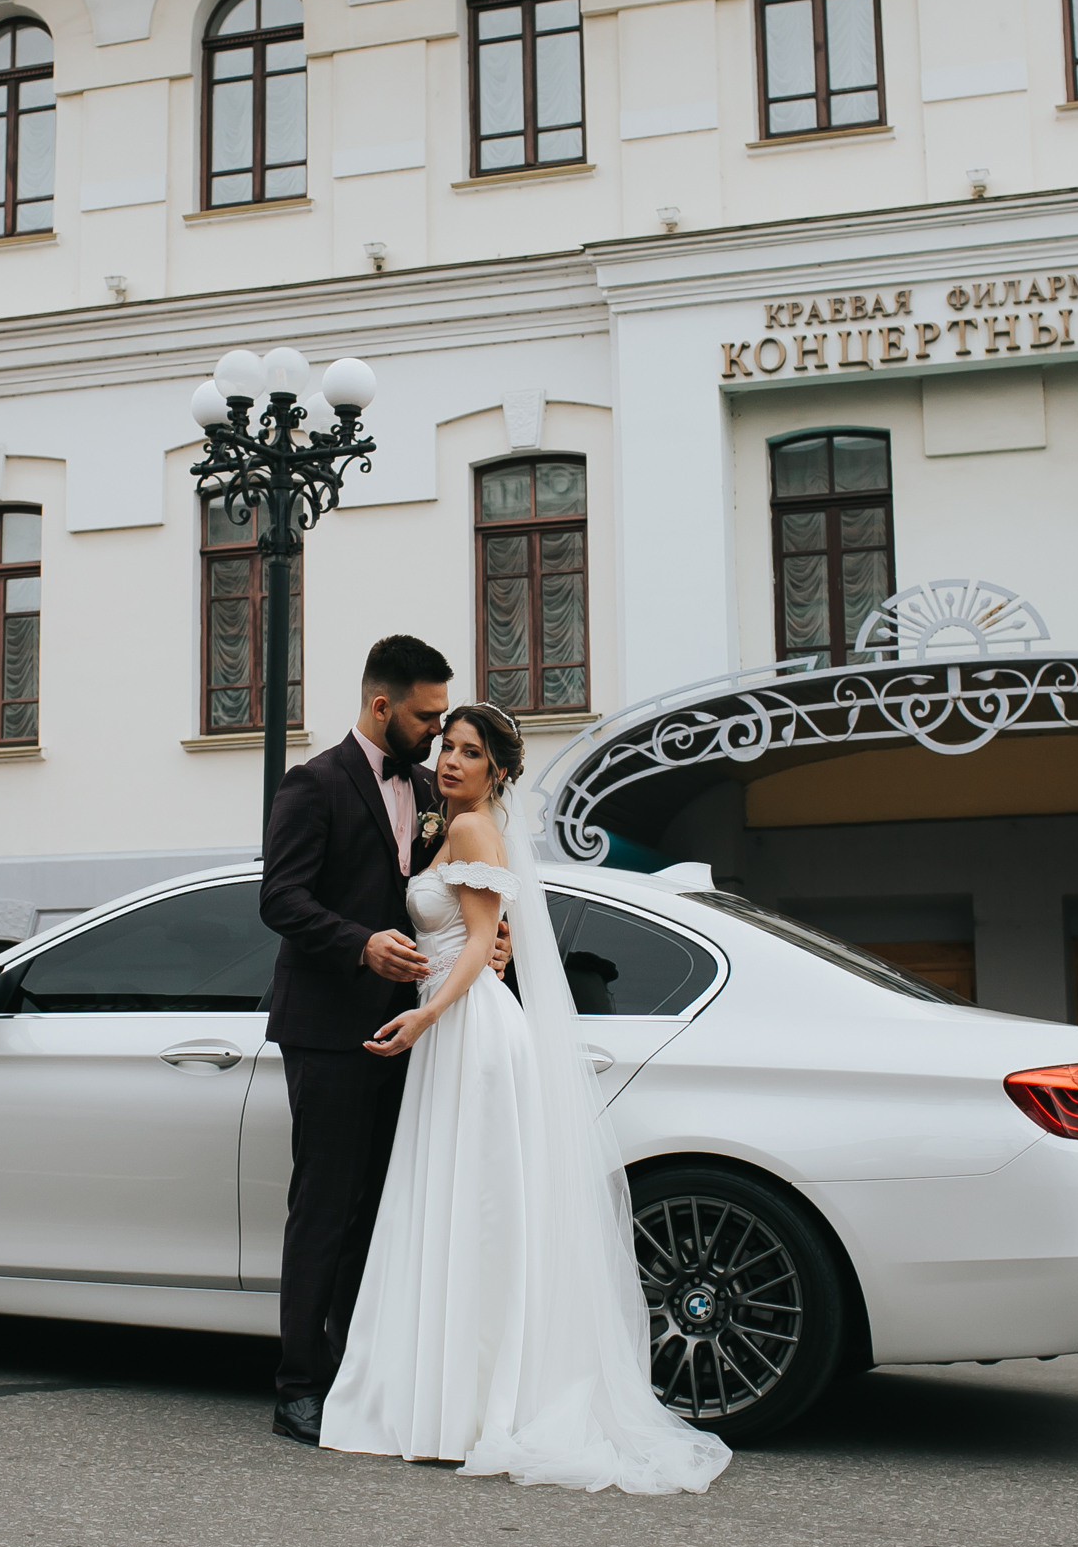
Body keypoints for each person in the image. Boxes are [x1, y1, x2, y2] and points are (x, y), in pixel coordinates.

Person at [319, 704, 733, 1494]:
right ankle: (447, 1397)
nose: (450, 760)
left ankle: (476, 1401)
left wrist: (425, 1014)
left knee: (475, 1209)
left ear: (498, 771)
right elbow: (485, 939)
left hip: (468, 1033)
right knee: (457, 1205)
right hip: (457, 1025)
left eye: (470, 752)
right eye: (447, 746)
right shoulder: (451, 826)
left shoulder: (473, 830)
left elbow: (478, 941)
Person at [258, 635, 505, 1447]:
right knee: (325, 1206)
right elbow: (280, 899)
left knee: (383, 1209)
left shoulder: (436, 789)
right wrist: (360, 942)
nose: (438, 735)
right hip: (329, 1029)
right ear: (381, 707)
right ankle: (299, 1384)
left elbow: (459, 896)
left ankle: (361, 1371)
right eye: (428, 717)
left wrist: (488, 941)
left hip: (413, 1029)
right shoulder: (314, 783)